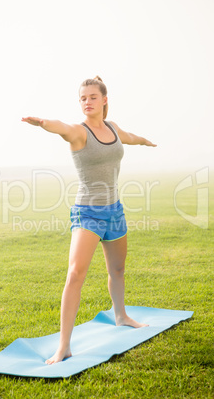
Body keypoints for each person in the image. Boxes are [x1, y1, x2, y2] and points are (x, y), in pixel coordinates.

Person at [22, 76, 157, 365]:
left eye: (92, 97)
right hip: (88, 213)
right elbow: (61, 126)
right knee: (75, 275)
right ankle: (63, 346)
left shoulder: (113, 128)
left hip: (114, 210)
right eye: (83, 98)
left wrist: (144, 141)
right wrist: (42, 122)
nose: (87, 102)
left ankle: (120, 315)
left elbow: (129, 137)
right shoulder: (79, 133)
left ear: (104, 99)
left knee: (118, 269)